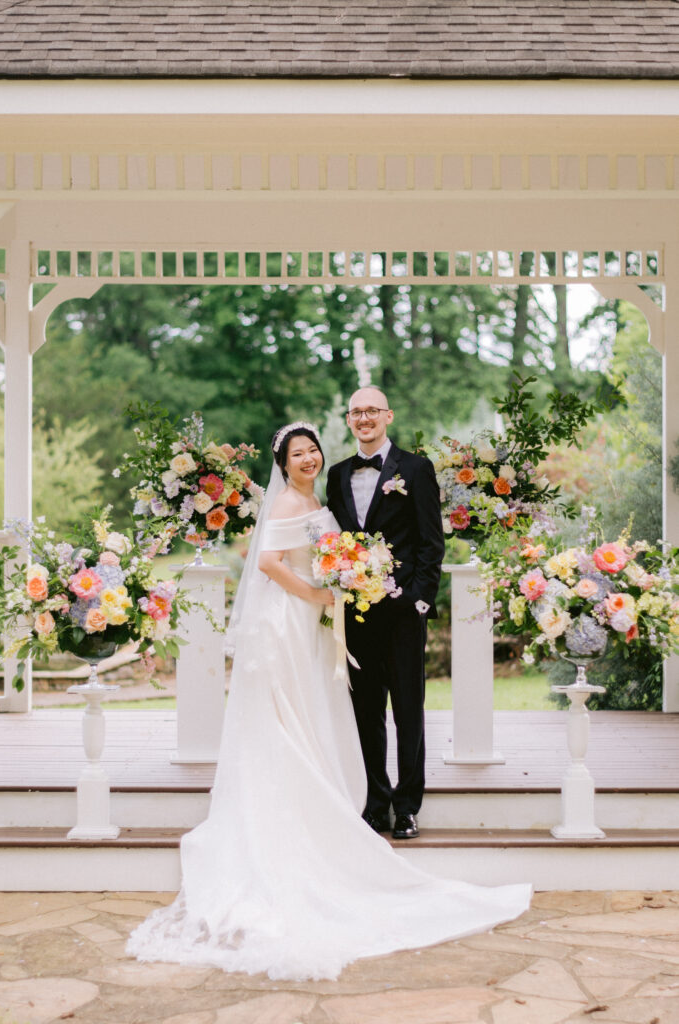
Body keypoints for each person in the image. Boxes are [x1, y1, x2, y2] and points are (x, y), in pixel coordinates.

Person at [127, 421, 531, 982]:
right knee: (297, 714)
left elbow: (402, 541)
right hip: (292, 620)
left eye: (312, 449)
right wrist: (321, 592)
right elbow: (269, 562)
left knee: (342, 708)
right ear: (283, 462)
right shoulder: (294, 498)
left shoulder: (327, 494)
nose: (309, 458)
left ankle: (397, 805)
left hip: (329, 620)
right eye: (298, 453)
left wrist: (356, 586)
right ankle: (328, 808)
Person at [326, 387, 444, 840]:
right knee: (365, 711)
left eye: (372, 411)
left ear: (388, 416)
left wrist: (418, 600)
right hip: (355, 615)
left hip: (403, 614)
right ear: (349, 419)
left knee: (408, 711)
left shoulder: (415, 468)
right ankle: (375, 804)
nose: (364, 418)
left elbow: (431, 541)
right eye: (356, 412)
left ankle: (408, 806)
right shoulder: (337, 474)